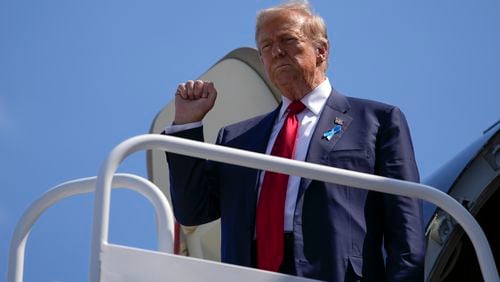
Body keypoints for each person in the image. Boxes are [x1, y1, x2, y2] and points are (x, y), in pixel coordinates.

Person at [164, 1, 425, 281]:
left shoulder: (377, 121)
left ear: (321, 50)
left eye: (288, 40)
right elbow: (192, 211)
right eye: (266, 46)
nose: (276, 51)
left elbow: (405, 227)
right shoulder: (237, 139)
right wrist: (187, 124)